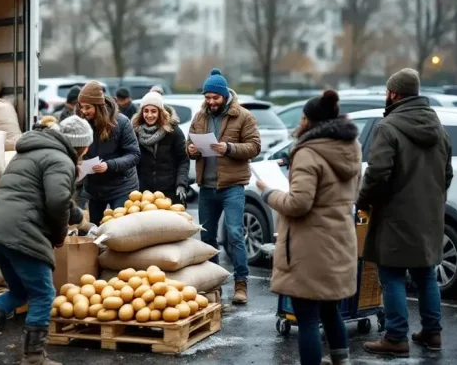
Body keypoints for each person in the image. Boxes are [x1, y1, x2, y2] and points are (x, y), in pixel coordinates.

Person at [0, 116, 94, 365]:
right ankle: (33, 358)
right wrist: (58, 235)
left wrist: (80, 220)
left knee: (20, 291)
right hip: (22, 231)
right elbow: (57, 201)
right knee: (43, 293)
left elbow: (43, 195)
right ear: (83, 147)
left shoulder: (29, 152)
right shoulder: (61, 159)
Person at [256, 90, 361, 365]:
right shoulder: (351, 148)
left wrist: (269, 193)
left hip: (310, 247)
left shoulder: (308, 153)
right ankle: (341, 360)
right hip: (340, 241)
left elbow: (299, 204)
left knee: (308, 318)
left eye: (302, 118)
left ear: (309, 121)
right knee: (330, 310)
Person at [357, 68, 452, 357]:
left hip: (395, 216)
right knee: (425, 274)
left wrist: (363, 200)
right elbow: (447, 174)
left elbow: (377, 174)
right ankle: (432, 333)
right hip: (429, 215)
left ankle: (396, 337)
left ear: (394, 94)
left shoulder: (389, 127)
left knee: (391, 274)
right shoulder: (438, 127)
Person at [187, 68, 261, 305]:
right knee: (207, 236)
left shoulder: (243, 116)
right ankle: (214, 282)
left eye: (215, 98)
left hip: (232, 185)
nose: (211, 102)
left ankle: (241, 283)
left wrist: (228, 148)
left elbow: (254, 147)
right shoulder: (200, 117)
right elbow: (189, 143)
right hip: (206, 186)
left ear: (225, 96)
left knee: (235, 234)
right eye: (207, 97)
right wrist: (191, 150)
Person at [77, 81, 140, 225]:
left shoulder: (121, 123)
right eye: (81, 107)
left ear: (98, 107)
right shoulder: (81, 123)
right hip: (94, 188)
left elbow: (134, 154)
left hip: (122, 186)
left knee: (119, 227)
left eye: (88, 107)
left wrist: (109, 165)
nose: (83, 111)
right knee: (93, 227)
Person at [132, 87, 190, 205]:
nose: (149, 115)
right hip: (144, 193)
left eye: (153, 111)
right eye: (146, 111)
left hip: (170, 192)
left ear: (160, 112)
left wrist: (181, 185)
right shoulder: (135, 132)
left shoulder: (173, 131)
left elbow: (183, 160)